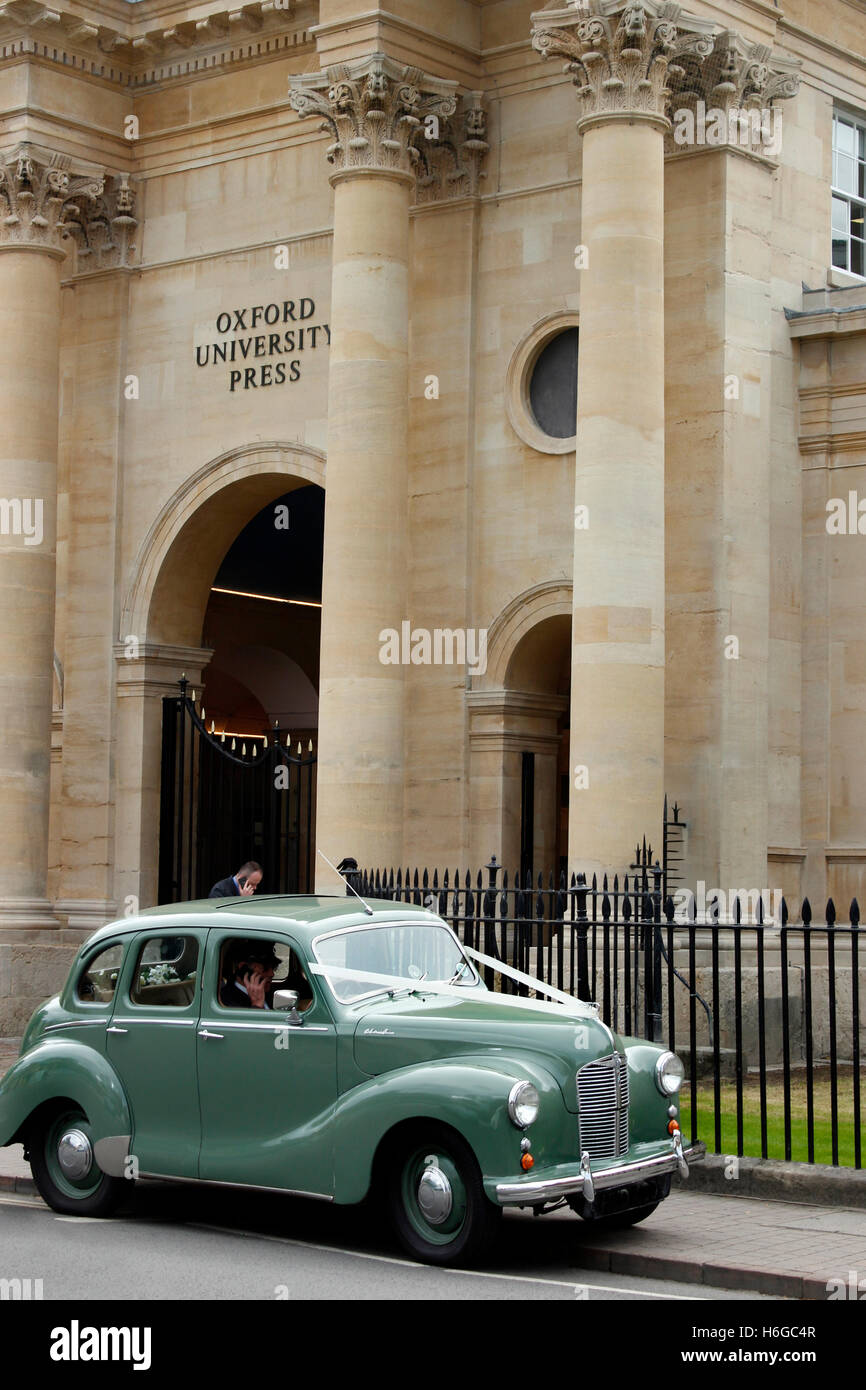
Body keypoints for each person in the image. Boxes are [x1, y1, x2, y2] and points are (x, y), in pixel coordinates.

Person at [219, 941, 280, 1009]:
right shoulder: (226, 1001)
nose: (271, 974)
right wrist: (257, 1005)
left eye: (273, 967)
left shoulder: (264, 992)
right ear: (244, 968)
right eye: (265, 968)